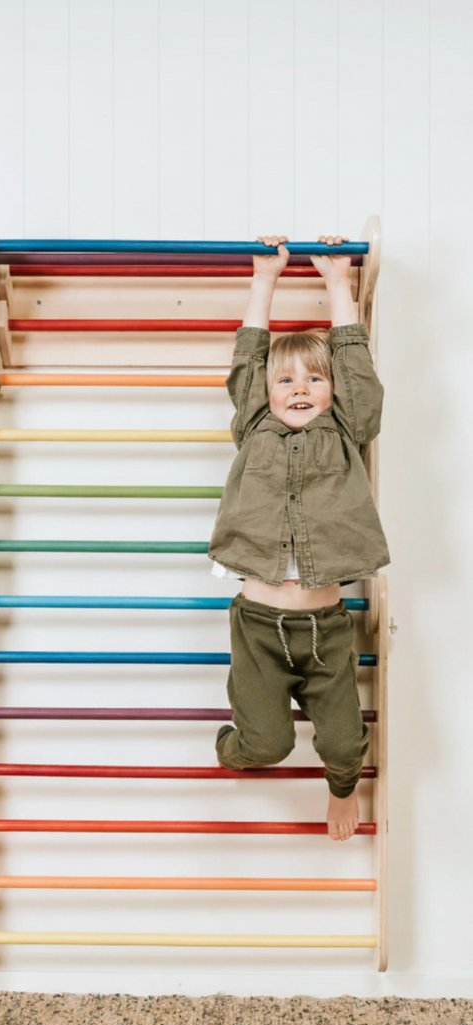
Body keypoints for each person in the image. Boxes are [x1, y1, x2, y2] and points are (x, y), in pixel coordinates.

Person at [207, 235, 390, 841]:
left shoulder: (347, 431)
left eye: (316, 378)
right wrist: (266, 279)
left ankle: (341, 791)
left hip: (326, 630)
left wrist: (340, 284)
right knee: (266, 743)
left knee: (344, 742)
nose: (301, 388)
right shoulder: (254, 423)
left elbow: (359, 380)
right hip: (258, 629)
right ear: (266, 394)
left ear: (334, 392)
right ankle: (231, 748)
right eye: (285, 381)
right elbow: (246, 364)